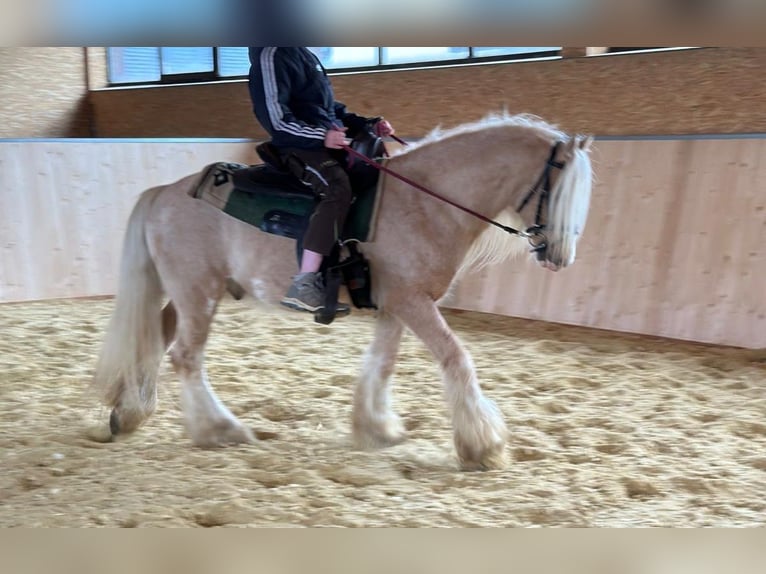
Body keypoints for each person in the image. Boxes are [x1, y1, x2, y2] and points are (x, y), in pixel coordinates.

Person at [248, 47, 395, 314]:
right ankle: (303, 285)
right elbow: (275, 119)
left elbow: (329, 110)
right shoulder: (271, 54)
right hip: (296, 146)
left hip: (321, 141)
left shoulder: (305, 55)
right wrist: (320, 137)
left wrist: (367, 125)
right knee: (337, 187)